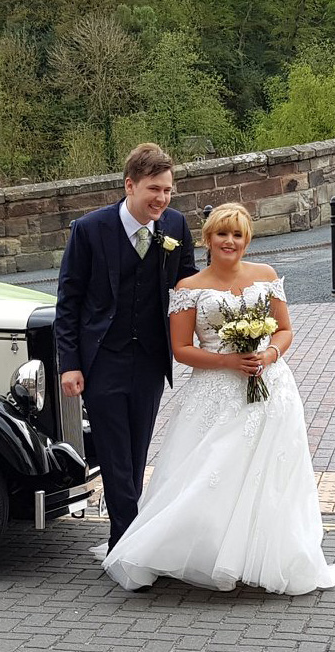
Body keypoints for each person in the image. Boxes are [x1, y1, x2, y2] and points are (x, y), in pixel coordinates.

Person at [102, 203, 335, 594]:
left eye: (238, 234)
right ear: (208, 239)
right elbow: (181, 349)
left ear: (248, 240)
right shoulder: (189, 288)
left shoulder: (266, 276)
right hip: (215, 392)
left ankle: (260, 556)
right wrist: (227, 360)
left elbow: (284, 330)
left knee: (271, 476)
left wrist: (269, 354)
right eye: (222, 234)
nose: (230, 241)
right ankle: (199, 554)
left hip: (271, 389)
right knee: (210, 473)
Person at [54, 143, 198, 552]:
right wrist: (70, 364)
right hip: (103, 361)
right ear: (129, 185)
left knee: (136, 454)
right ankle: (127, 546)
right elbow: (69, 301)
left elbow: (188, 288)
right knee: (116, 456)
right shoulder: (89, 229)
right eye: (155, 189)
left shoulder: (175, 226)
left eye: (168, 190)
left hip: (151, 360)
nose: (162, 199)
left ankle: (127, 539)